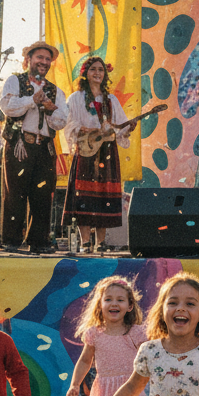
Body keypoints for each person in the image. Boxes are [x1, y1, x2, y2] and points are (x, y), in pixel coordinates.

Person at [0, 40, 68, 253]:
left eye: (47, 59)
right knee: (15, 193)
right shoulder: (14, 81)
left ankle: (39, 241)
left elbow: (61, 120)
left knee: (43, 196)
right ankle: (11, 240)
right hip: (20, 143)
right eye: (40, 57)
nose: (44, 62)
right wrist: (31, 100)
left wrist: (48, 107)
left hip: (44, 147)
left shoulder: (55, 90)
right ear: (29, 59)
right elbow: (7, 107)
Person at [62, 55, 136, 252]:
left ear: (105, 74)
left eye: (101, 70)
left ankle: (100, 243)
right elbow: (68, 122)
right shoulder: (76, 98)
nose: (97, 73)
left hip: (107, 151)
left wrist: (128, 129)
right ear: (86, 73)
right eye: (93, 69)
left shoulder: (111, 100)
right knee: (84, 196)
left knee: (105, 195)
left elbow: (119, 127)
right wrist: (87, 130)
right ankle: (85, 242)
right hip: (87, 149)